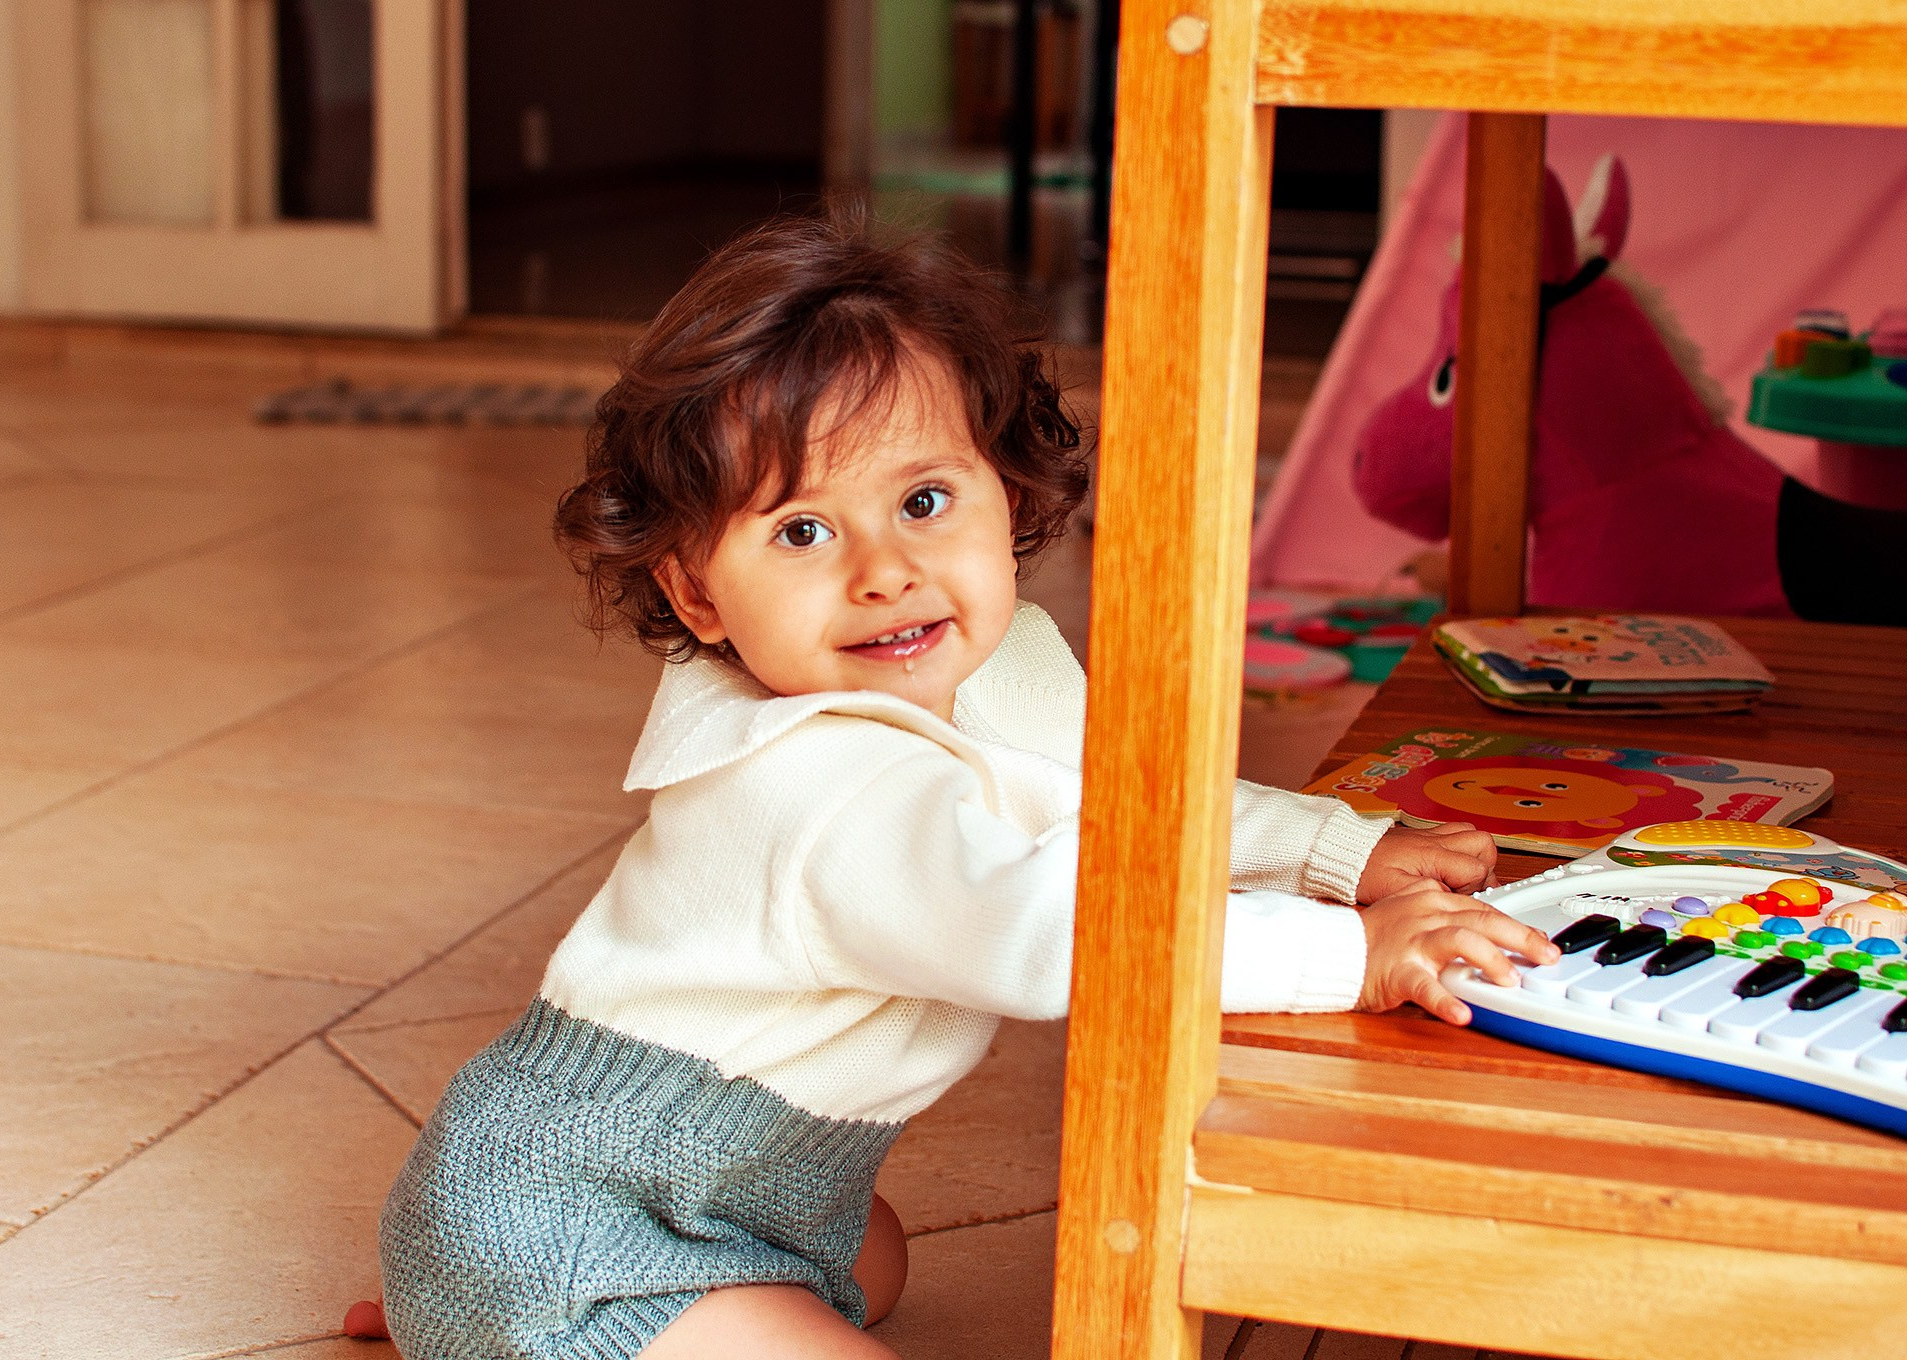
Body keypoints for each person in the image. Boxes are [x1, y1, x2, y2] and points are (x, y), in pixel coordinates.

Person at [373, 215, 1557, 1360]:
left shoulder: (991, 665)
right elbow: (1066, 930)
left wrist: (1327, 855)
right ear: (695, 596)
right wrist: (1344, 957)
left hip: (735, 1201)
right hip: (570, 1231)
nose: (885, 572)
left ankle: (455, 1282)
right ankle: (475, 1298)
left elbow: (1128, 802)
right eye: (800, 534)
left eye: (924, 503)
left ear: (1007, 490)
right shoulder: (821, 790)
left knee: (870, 1270)